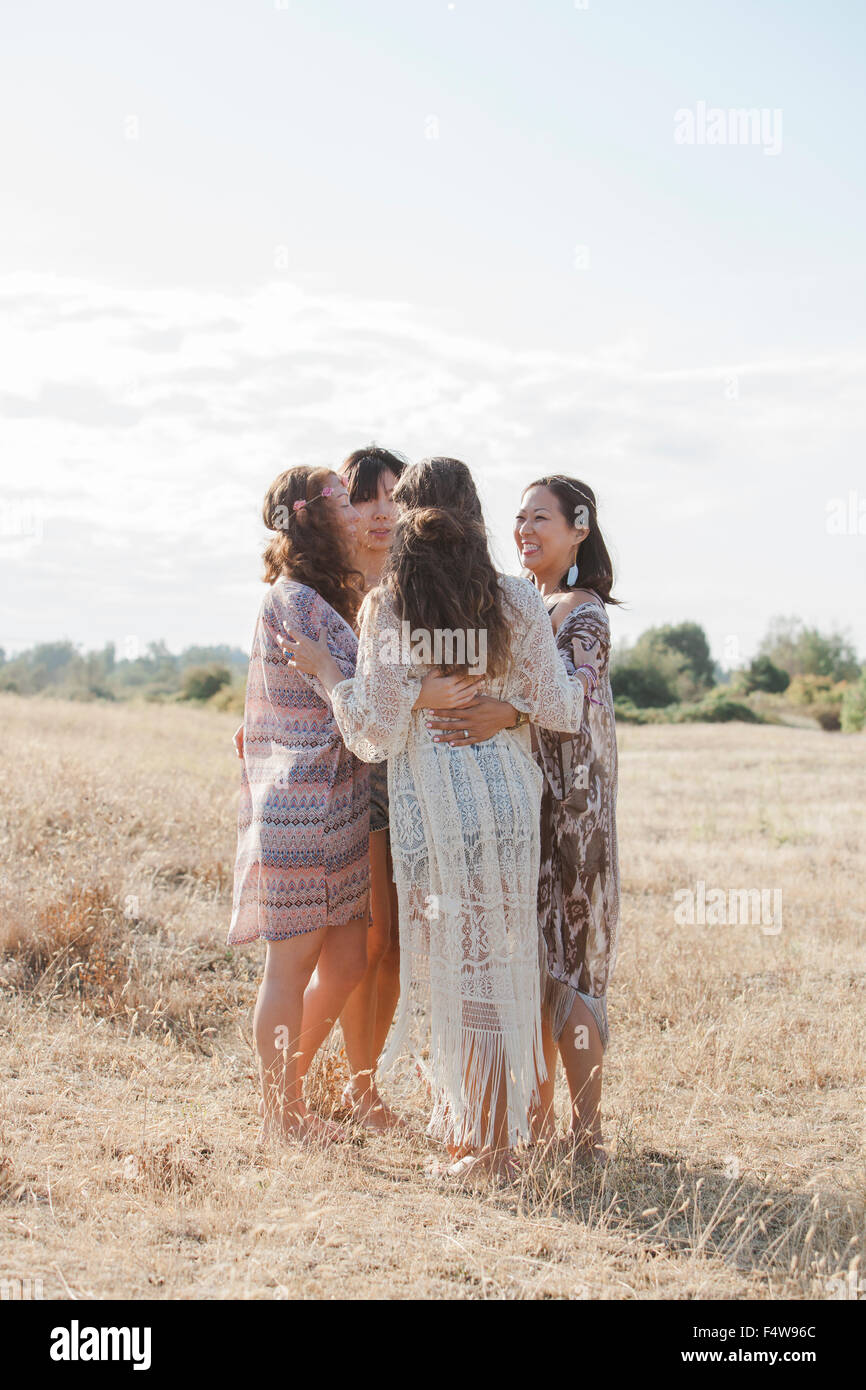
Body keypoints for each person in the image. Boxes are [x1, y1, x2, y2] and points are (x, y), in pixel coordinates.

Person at [280, 457, 595, 1177]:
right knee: (505, 965)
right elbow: (563, 708)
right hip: (512, 802)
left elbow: (375, 731)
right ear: (475, 513)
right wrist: (506, 707)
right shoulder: (516, 598)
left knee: (463, 971)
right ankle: (495, 1131)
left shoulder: (389, 605)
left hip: (444, 815)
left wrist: (334, 677)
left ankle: (485, 1150)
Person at [426, 475, 620, 1162]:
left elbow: (583, 698)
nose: (525, 529)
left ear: (579, 529)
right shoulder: (528, 602)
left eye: (542, 518)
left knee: (568, 967)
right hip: (530, 804)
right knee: (533, 966)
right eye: (519, 518)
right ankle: (537, 1126)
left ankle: (588, 1136)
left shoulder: (582, 610)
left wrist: (506, 713)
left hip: (573, 815)